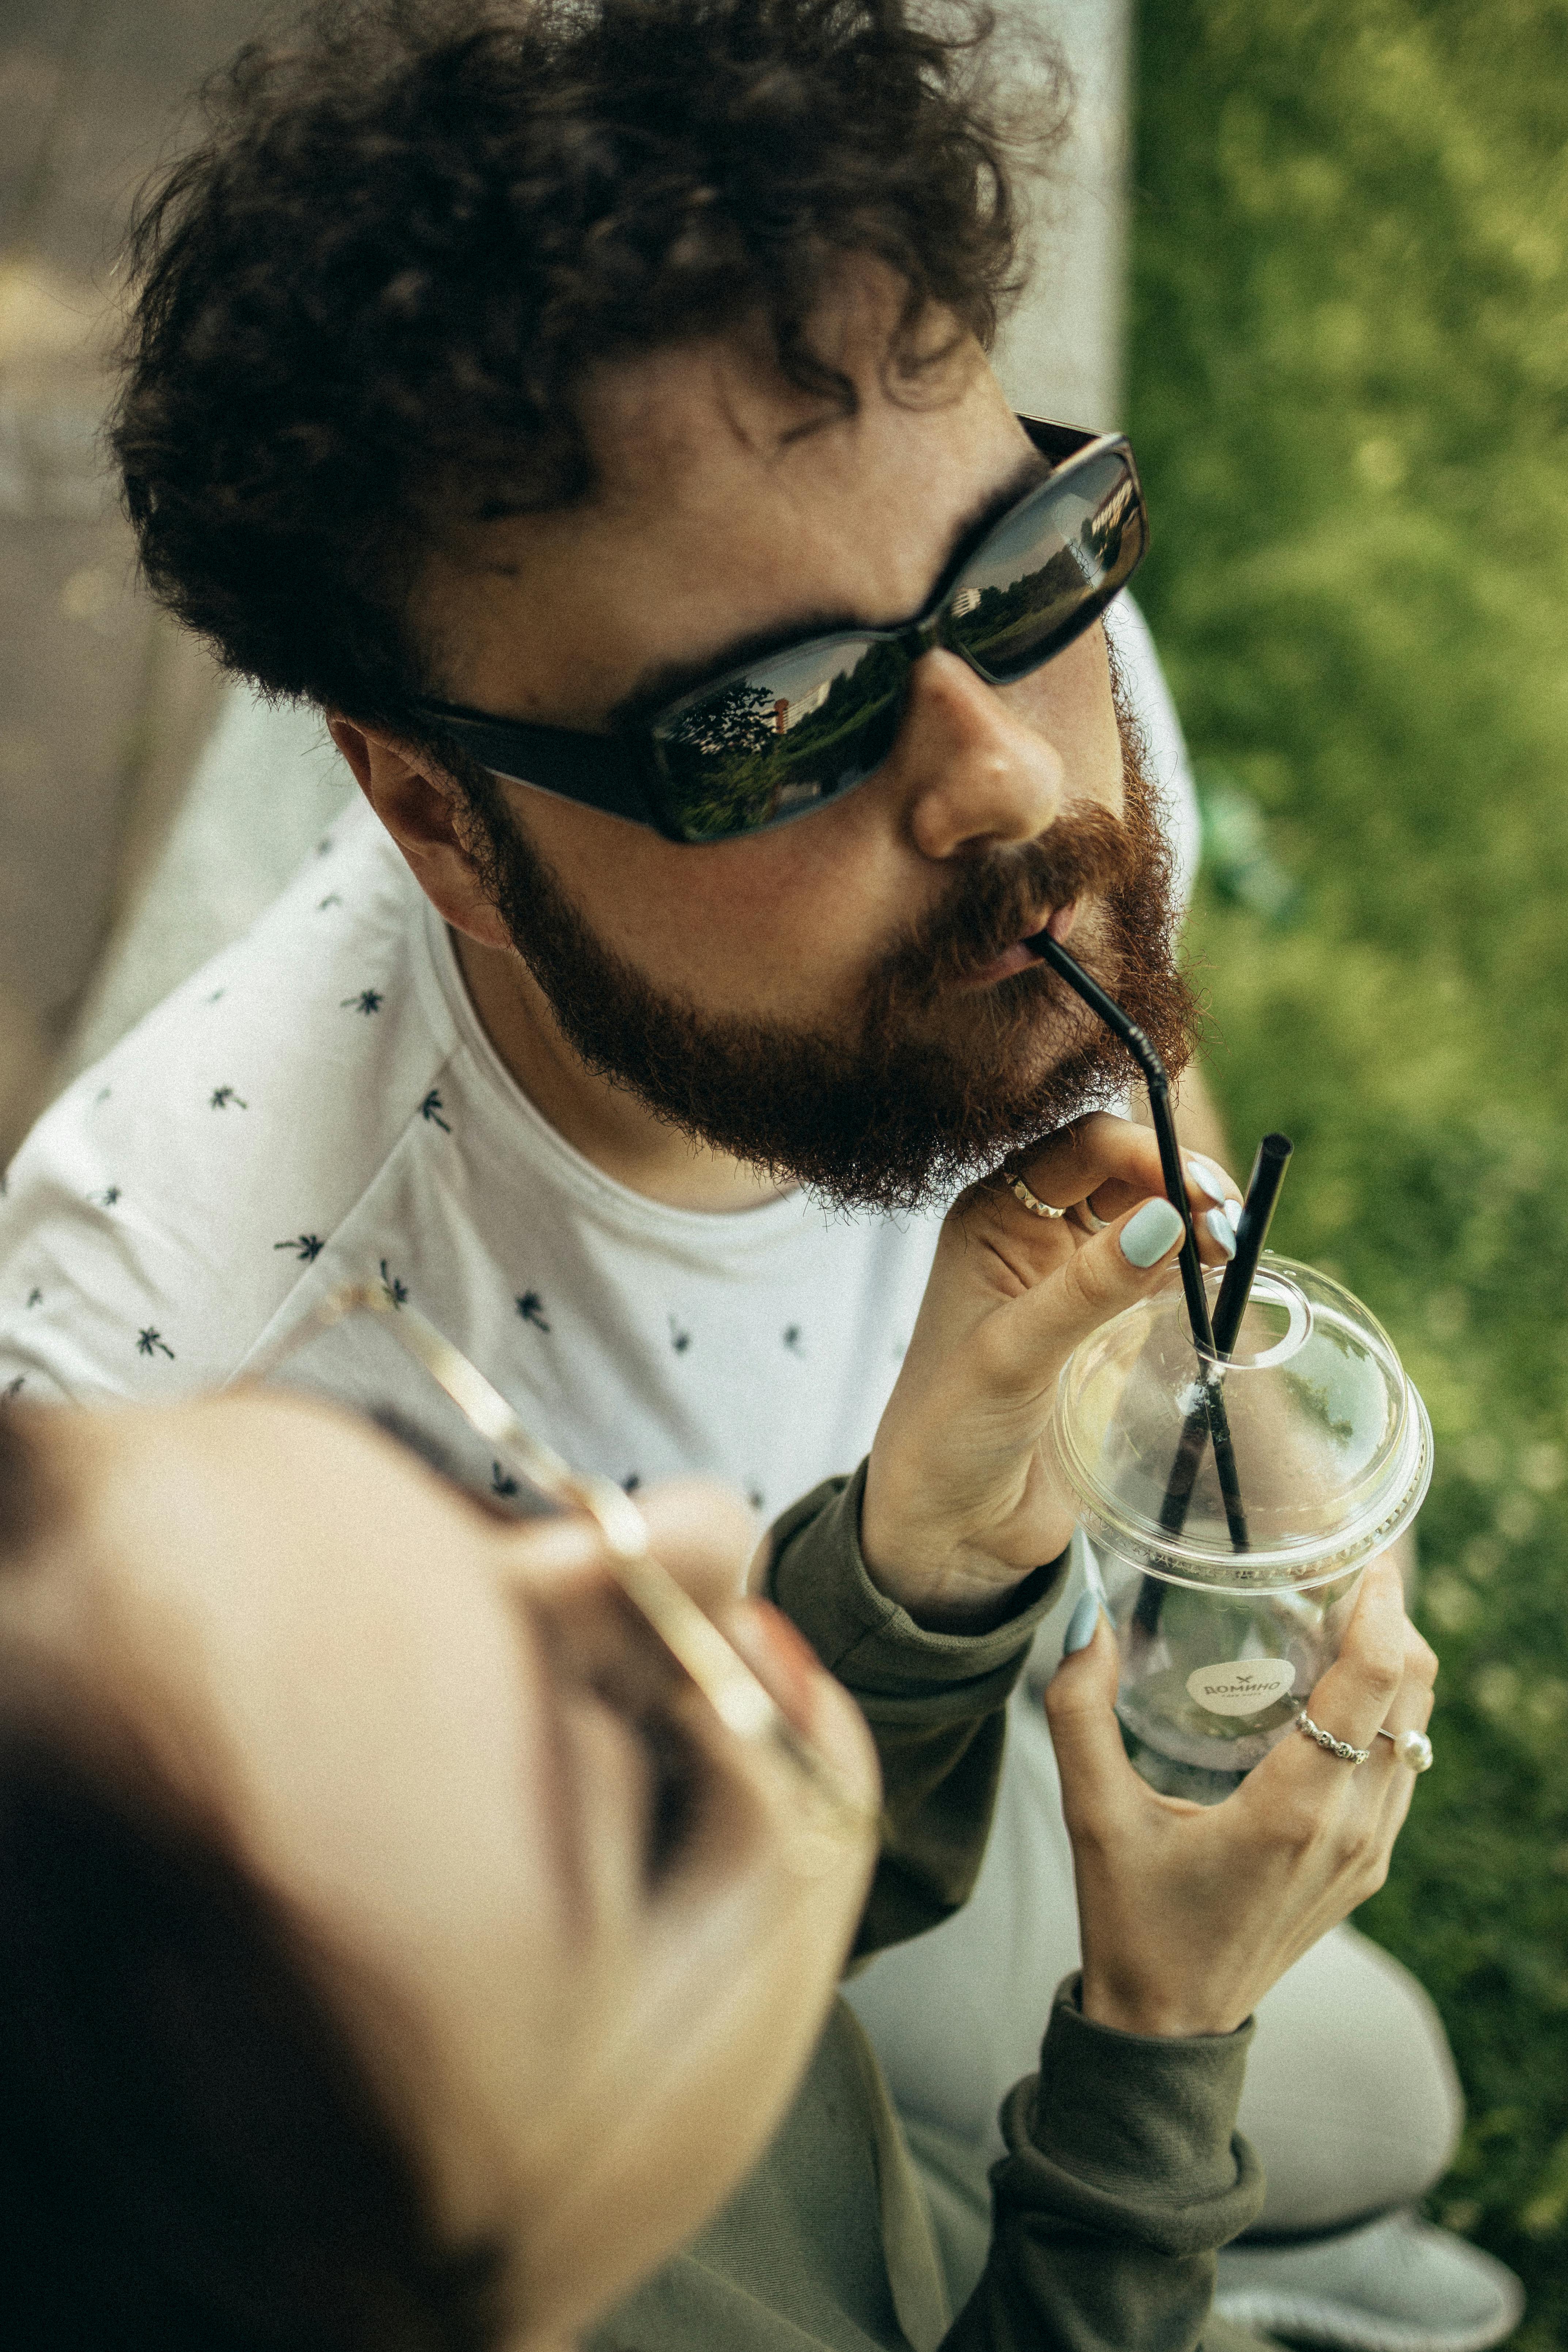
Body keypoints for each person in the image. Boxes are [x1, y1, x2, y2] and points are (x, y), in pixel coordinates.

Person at [0, 1, 1512, 2339]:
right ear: (431, 813)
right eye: (773, 722)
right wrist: (1150, 2069)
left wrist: (1251, 1449)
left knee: (1386, 2107)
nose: (1009, 782)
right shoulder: (178, 1376)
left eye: (1017, 564)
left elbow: (1141, 1121)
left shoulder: (1023, 736)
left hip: (906, 1746)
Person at [0, 1282, 1439, 2350]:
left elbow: (788, 1958)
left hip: (885, 2166)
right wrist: (1154, 2053)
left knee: (1391, 2101)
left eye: (451, 1490)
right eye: (655, 1796)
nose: (688, 1522)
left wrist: (920, 1582)